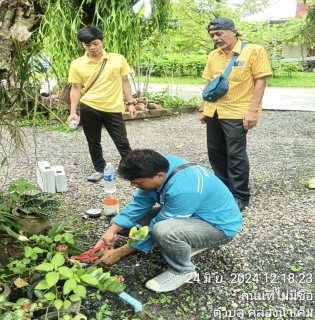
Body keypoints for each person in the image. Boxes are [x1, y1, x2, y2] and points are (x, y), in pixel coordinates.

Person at [94, 149, 242, 292]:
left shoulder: (184, 189)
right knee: (118, 222)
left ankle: (182, 271)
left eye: (138, 182)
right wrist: (111, 231)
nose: (133, 185)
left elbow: (154, 227)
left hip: (218, 226)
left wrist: (118, 253)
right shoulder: (161, 165)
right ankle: (182, 243)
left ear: (159, 175)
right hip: (188, 212)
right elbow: (139, 204)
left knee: (163, 230)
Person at [199, 18, 272, 211]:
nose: (215, 38)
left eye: (219, 34)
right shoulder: (213, 55)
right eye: (212, 35)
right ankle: (224, 190)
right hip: (214, 110)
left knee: (235, 154)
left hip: (237, 111)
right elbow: (209, 83)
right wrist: (202, 108)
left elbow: (260, 81)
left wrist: (252, 111)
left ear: (233, 31)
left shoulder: (254, 51)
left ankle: (240, 195)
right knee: (215, 152)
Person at [67, 26, 137, 182]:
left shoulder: (118, 59)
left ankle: (132, 168)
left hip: (113, 108)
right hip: (89, 106)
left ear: (102, 41)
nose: (92, 48)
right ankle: (99, 169)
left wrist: (131, 103)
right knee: (93, 141)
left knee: (122, 141)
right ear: (82, 44)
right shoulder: (77, 64)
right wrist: (73, 112)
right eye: (87, 45)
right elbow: (76, 88)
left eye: (95, 43)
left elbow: (125, 81)